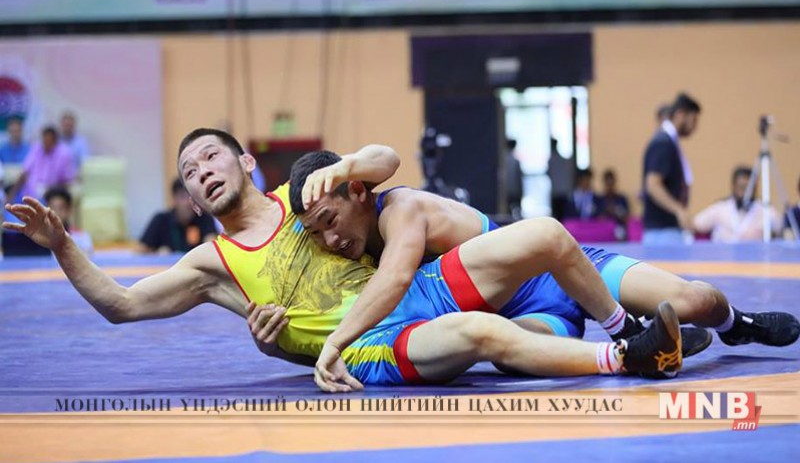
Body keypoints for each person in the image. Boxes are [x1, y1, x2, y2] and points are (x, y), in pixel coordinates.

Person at [4, 128, 683, 394]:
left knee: (538, 241)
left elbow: (386, 163)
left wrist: (351, 163)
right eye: (189, 171)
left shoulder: (304, 192)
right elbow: (121, 305)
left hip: (416, 288)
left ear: (245, 161)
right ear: (190, 196)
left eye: (210, 156)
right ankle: (627, 356)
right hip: (366, 345)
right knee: (483, 335)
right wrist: (64, 246)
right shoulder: (211, 263)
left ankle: (620, 323)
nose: (201, 170)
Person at [281, 148, 798, 381]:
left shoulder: (401, 209)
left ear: (356, 190)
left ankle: (735, 324)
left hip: (559, 267)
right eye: (316, 233)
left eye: (330, 220)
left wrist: (335, 342)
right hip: (525, 311)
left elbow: (395, 269)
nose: (330, 239)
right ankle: (634, 348)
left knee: (695, 300)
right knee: (511, 355)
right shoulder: (345, 238)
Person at [642, 92, 700, 245]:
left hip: (667, 231)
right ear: (680, 114)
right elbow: (653, 185)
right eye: (693, 120)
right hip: (662, 233)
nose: (695, 127)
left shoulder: (670, 143)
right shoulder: (663, 142)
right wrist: (678, 210)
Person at [693, 166, 783, 243]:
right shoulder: (720, 209)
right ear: (733, 186)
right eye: (741, 187)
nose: (744, 193)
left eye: (748, 188)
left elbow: (781, 230)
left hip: (754, 256)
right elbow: (696, 224)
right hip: (723, 256)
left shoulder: (766, 211)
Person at [137, 178, 217, 254]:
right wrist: (158, 255)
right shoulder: (160, 219)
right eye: (183, 197)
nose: (188, 202)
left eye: (192, 197)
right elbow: (140, 251)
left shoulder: (204, 217)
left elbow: (212, 248)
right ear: (174, 199)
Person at [13, 126, 77, 202]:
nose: (46, 143)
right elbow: (24, 172)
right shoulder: (36, 149)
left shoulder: (64, 154)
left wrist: (49, 189)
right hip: (29, 192)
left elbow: (67, 181)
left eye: (49, 140)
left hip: (51, 194)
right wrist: (12, 193)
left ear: (55, 141)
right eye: (44, 140)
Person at [44, 187, 93, 256]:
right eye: (52, 208)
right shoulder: (40, 237)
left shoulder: (82, 237)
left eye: (61, 208)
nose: (56, 213)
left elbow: (87, 258)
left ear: (69, 210)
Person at [596, 168, 630, 238]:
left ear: (614, 183)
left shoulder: (621, 199)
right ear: (604, 183)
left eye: (611, 183)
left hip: (619, 230)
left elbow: (626, 218)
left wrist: (615, 211)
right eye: (607, 183)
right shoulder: (599, 200)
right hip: (602, 231)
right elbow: (596, 219)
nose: (609, 186)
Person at [547, 137, 573, 221]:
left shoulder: (551, 160)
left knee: (558, 217)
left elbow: (549, 173)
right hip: (563, 192)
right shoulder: (563, 160)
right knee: (562, 217)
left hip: (557, 193)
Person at [504, 138, 523, 220]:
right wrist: (521, 192)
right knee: (515, 212)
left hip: (505, 190)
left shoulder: (502, 160)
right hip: (514, 190)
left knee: (507, 212)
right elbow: (518, 178)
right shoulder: (515, 161)